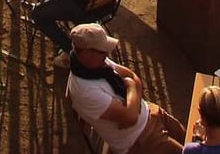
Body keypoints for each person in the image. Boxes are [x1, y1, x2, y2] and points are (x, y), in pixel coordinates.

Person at [66, 22, 185, 154]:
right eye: (102, 51)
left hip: (151, 112)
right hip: (141, 139)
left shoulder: (96, 65)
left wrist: (132, 88)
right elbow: (131, 117)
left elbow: (133, 76)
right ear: (87, 53)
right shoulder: (85, 90)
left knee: (190, 138)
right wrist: (130, 85)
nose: (107, 54)